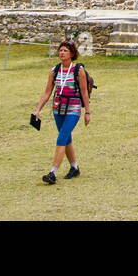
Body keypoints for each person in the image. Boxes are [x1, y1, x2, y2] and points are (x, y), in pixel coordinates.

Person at [33, 40, 91, 184]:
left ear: (72, 53)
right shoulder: (55, 70)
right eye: (60, 50)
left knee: (61, 138)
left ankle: (53, 172)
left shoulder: (78, 70)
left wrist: (87, 112)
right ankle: (74, 167)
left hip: (73, 108)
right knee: (66, 138)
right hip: (58, 109)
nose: (62, 53)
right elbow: (47, 92)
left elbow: (84, 93)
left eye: (65, 50)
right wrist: (37, 109)